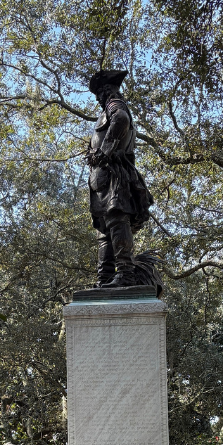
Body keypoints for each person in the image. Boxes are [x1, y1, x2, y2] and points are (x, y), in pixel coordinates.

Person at [86, 69, 154, 288]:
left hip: (113, 174)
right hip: (104, 178)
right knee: (105, 229)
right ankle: (104, 277)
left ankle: (125, 272)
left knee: (116, 220)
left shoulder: (114, 105)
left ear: (106, 91)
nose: (98, 99)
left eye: (99, 94)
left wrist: (104, 151)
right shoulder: (110, 108)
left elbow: (121, 119)